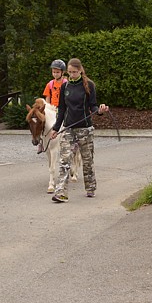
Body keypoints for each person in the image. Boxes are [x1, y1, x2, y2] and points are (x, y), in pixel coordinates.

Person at [49, 58, 109, 202]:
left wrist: (100, 110)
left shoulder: (89, 85)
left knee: (87, 160)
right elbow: (62, 109)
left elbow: (93, 106)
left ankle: (90, 187)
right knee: (64, 161)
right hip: (68, 128)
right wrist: (56, 128)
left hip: (85, 128)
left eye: (74, 72)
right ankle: (61, 192)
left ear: (80, 70)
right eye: (69, 72)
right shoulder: (65, 86)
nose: (72, 74)